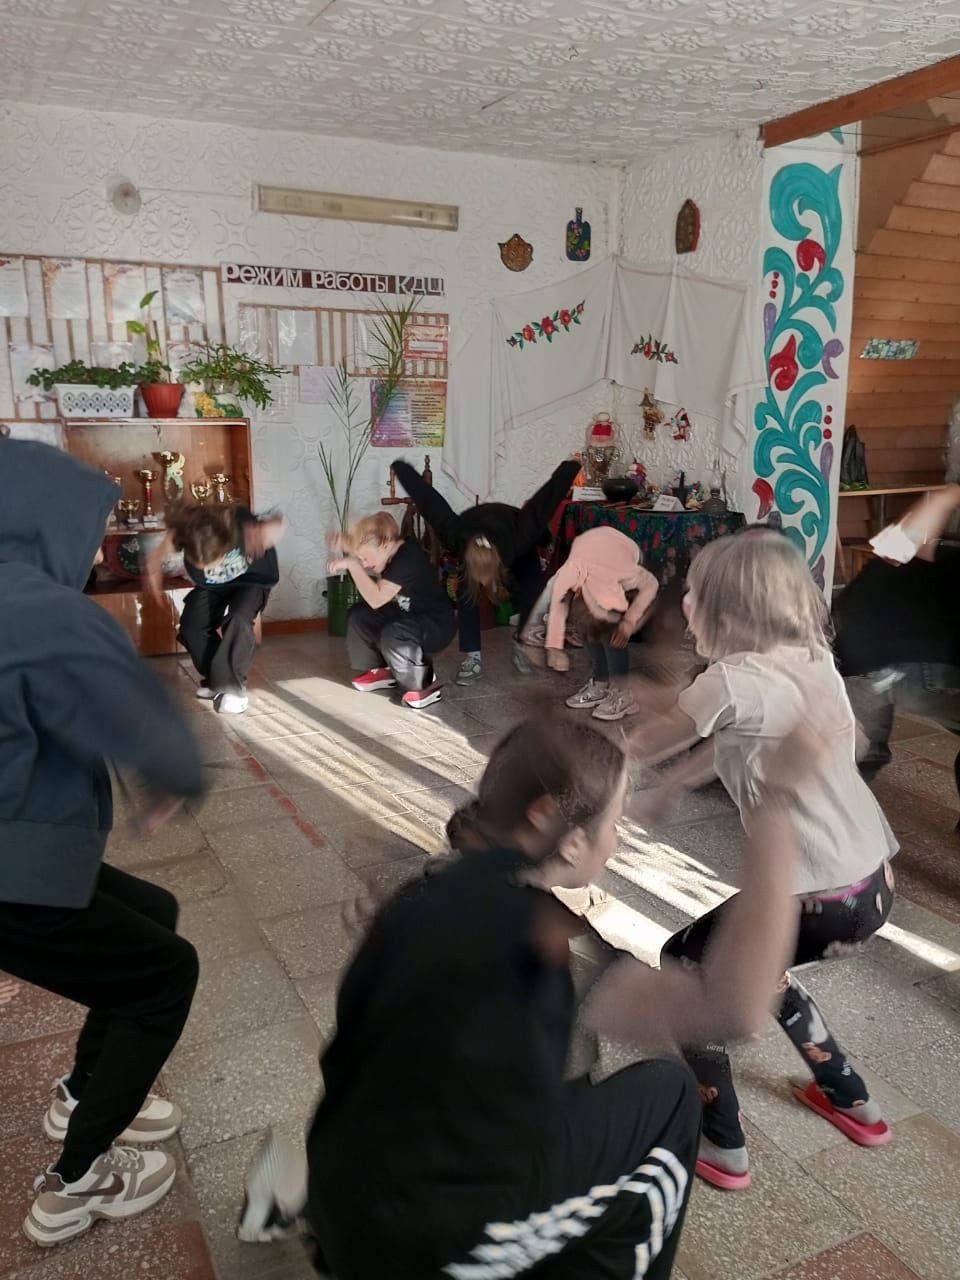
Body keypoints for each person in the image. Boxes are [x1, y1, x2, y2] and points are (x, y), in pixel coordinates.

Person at [228, 713, 815, 1280]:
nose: (616, 842)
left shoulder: (423, 890)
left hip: (343, 1185)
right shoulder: (549, 945)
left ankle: (310, 1210)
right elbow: (734, 1010)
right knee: (669, 1101)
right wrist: (778, 805)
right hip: (425, 1249)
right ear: (569, 841)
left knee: (543, 1091)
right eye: (614, 824)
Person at [628, 528, 898, 1191]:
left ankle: (722, 1143)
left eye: (694, 594)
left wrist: (604, 744)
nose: (684, 603)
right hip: (871, 884)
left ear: (730, 611)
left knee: (688, 965)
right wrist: (672, 786)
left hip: (813, 894)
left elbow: (647, 740)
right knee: (768, 966)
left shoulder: (726, 682)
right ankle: (851, 1100)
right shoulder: (810, 658)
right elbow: (738, 739)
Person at [0, 440, 206, 1245]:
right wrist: (173, 775)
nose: (95, 552)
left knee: (153, 910)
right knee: (166, 977)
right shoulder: (42, 609)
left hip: (27, 854)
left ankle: (82, 1091)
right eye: (87, 531)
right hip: (15, 876)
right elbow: (144, 722)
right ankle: (76, 1180)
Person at [391, 454, 580, 685]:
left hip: (511, 527)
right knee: (466, 594)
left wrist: (571, 467)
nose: (484, 584)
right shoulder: (456, 537)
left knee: (533, 587)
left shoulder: (520, 538)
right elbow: (430, 503)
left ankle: (523, 644)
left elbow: (543, 503)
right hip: (473, 524)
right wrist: (402, 469)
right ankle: (473, 659)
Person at [834, 484, 960, 820]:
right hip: (930, 664)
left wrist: (946, 497)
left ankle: (821, 821)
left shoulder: (913, 554)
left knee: (855, 757)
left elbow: (890, 550)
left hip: (857, 643)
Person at [146, 503, 283, 715]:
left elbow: (277, 523)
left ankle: (233, 689)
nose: (212, 568)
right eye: (204, 567)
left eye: (215, 563)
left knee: (238, 618)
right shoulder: (183, 533)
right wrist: (155, 588)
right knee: (192, 626)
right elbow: (154, 561)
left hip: (252, 580)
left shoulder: (241, 526)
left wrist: (268, 530)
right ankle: (217, 681)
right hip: (213, 586)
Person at [523, 525, 659, 721]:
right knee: (588, 624)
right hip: (594, 549)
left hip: (625, 551)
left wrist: (629, 622)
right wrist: (554, 648)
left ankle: (623, 693)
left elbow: (652, 585)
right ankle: (600, 683)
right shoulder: (567, 576)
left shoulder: (624, 574)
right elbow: (558, 605)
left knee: (613, 633)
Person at [329, 511, 457, 710]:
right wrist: (348, 544)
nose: (364, 563)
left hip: (437, 625)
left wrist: (353, 566)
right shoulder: (388, 552)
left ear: (385, 544)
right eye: (361, 559)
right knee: (359, 615)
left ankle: (422, 683)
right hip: (409, 616)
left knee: (393, 633)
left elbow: (376, 598)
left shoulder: (407, 557)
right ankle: (382, 670)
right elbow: (371, 551)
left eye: (365, 557)